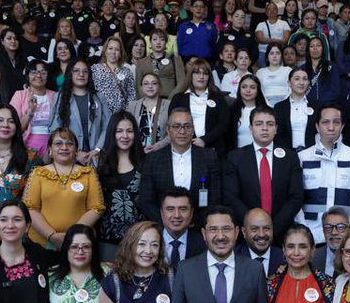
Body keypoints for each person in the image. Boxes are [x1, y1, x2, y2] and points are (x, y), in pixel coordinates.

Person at [224, 107, 305, 239]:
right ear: (251, 128)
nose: (265, 128)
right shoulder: (235, 157)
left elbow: (296, 197)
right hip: (248, 233)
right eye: (259, 123)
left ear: (276, 129)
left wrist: (273, 227)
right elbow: (231, 197)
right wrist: (254, 225)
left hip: (281, 232)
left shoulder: (290, 157)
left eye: (270, 124)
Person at [21, 127, 105, 248]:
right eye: (58, 143)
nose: (64, 148)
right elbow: (30, 208)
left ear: (76, 150)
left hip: (79, 244)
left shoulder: (88, 173)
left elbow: (96, 208)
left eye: (69, 144)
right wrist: (51, 235)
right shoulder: (38, 173)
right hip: (41, 243)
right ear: (49, 149)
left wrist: (73, 236)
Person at [297, 104, 350, 245]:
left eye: (336, 122)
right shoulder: (302, 158)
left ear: (342, 126)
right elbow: (296, 199)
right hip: (311, 236)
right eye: (325, 122)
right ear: (317, 126)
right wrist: (304, 231)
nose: (331, 127)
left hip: (344, 237)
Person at [137, 107, 222, 223]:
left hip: (198, 227)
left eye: (187, 126)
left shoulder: (209, 157)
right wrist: (168, 223)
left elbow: (215, 198)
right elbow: (146, 200)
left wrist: (194, 222)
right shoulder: (153, 159)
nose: (182, 131)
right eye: (176, 126)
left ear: (193, 130)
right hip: (162, 228)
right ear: (168, 130)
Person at [96, 111, 145, 256]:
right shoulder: (100, 163)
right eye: (119, 131)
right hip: (107, 239)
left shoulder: (146, 162)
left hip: (139, 238)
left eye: (129, 131)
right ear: (112, 133)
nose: (125, 136)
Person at [170, 58, 229, 157]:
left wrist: (204, 140)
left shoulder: (218, 98)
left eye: (205, 73)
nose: (201, 76)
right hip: (185, 149)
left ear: (209, 77)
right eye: (197, 73)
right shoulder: (178, 98)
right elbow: (172, 123)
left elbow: (224, 123)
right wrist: (189, 141)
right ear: (190, 76)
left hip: (213, 149)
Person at [9, 60, 58, 156]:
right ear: (27, 76)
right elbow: (14, 128)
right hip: (26, 144)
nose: (39, 76)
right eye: (34, 72)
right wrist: (30, 112)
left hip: (52, 144)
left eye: (43, 72)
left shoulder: (55, 96)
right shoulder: (19, 95)